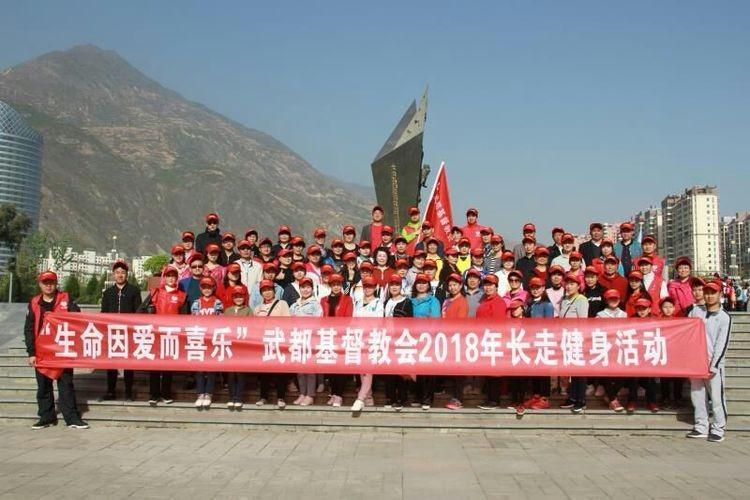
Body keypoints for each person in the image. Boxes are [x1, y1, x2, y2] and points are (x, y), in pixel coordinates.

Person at [25, 270, 88, 430]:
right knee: (43, 386)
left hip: (62, 350)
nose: (48, 285)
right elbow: (29, 329)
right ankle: (46, 417)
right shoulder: (34, 302)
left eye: (51, 282)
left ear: (56, 283)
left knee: (66, 384)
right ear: (40, 284)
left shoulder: (65, 299)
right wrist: (31, 353)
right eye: (45, 282)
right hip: (42, 351)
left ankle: (72, 418)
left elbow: (78, 318)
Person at [687, 280, 731, 442]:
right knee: (697, 396)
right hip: (695, 363)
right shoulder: (695, 312)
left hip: (713, 365)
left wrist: (715, 364)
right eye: (707, 292)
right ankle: (701, 426)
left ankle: (718, 428)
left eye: (713, 293)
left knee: (717, 397)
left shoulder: (724, 317)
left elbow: (722, 343)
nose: (709, 296)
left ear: (720, 295)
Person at [138, 266, 188, 406]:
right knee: (154, 365)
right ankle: (154, 394)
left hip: (172, 335)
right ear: (164, 277)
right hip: (156, 334)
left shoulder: (181, 295)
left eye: (174, 276)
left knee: (168, 366)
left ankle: (166, 394)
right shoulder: (155, 293)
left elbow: (185, 317)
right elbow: (140, 310)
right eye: (169, 275)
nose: (171, 278)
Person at [99, 260, 142, 402]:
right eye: (117, 272)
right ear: (113, 275)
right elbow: (104, 312)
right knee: (111, 363)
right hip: (112, 332)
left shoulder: (134, 290)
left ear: (127, 274)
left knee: (129, 363)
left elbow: (138, 311)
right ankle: (111, 390)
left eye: (123, 273)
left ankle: (128, 391)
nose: (120, 275)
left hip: (128, 332)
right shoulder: (108, 292)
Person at [254, 280, 292, 408]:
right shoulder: (257, 308)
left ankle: (281, 397)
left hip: (278, 341)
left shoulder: (282, 304)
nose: (267, 293)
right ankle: (263, 397)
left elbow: (287, 322)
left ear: (274, 291)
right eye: (264, 290)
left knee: (280, 372)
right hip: (264, 343)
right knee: (264, 373)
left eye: (269, 290)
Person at [351, 277, 385, 412]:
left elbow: (378, 322)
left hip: (372, 340)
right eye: (366, 286)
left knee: (368, 370)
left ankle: (360, 398)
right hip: (359, 339)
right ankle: (368, 397)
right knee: (361, 370)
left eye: (370, 287)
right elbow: (354, 321)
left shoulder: (378, 303)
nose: (368, 289)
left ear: (375, 288)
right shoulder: (358, 302)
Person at [558, 272, 589, 413]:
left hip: (577, 338)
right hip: (566, 338)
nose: (569, 287)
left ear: (578, 285)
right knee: (570, 369)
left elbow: (583, 321)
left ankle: (581, 400)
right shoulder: (564, 300)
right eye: (567, 284)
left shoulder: (581, 300)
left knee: (579, 371)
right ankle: (572, 397)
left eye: (572, 284)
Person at [290, 277, 324, 406]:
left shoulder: (316, 305)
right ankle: (302, 393)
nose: (305, 290)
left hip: (311, 340)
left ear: (312, 288)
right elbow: (290, 323)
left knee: (310, 369)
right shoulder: (294, 305)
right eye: (303, 287)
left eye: (308, 287)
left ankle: (310, 395)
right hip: (297, 339)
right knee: (299, 370)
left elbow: (318, 322)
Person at [320, 274, 353, 407]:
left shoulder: (347, 299)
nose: (336, 287)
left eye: (338, 284)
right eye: (333, 284)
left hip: (341, 336)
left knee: (340, 366)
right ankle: (333, 393)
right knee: (330, 365)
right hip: (327, 335)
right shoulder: (323, 300)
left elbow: (348, 317)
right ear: (330, 285)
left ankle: (339, 395)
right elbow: (321, 316)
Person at [191, 276, 223, 409]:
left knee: (211, 368)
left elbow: (221, 319)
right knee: (199, 368)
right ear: (201, 288)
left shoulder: (217, 302)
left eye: (209, 287)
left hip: (212, 339)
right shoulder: (196, 303)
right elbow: (193, 320)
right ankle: (200, 393)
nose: (207, 290)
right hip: (199, 338)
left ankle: (209, 393)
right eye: (204, 287)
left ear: (213, 288)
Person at [410, 273, 441, 410]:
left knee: (428, 370)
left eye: (424, 282)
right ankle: (418, 396)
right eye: (419, 282)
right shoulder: (410, 301)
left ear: (428, 285)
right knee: (417, 370)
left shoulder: (433, 301)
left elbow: (435, 319)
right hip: (413, 339)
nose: (421, 285)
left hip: (428, 339)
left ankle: (427, 398)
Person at [383, 274, 414, 411]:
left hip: (401, 339)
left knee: (401, 371)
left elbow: (410, 322)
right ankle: (390, 397)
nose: (394, 287)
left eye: (396, 285)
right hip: (387, 339)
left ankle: (401, 398)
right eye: (392, 285)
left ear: (400, 287)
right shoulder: (386, 302)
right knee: (389, 371)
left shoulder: (407, 302)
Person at [477, 275, 508, 410]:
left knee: (494, 372)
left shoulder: (498, 302)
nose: (488, 287)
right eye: (486, 285)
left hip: (494, 340)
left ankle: (494, 400)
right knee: (488, 372)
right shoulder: (484, 300)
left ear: (496, 287)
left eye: (491, 285)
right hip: (484, 339)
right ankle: (489, 398)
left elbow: (498, 324)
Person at [523, 277, 554, 410]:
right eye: (533, 288)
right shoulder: (529, 303)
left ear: (543, 288)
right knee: (534, 370)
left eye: (538, 287)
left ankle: (544, 398)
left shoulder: (547, 304)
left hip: (543, 340)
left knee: (543, 370)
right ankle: (535, 396)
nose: (535, 290)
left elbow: (549, 323)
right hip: (531, 340)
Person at [625, 299, 660, 413]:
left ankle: (652, 401)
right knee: (633, 378)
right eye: (639, 309)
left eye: (644, 309)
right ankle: (632, 401)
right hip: (635, 353)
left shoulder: (655, 320)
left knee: (651, 379)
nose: (641, 311)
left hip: (650, 353)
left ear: (649, 309)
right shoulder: (631, 320)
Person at [597, 289, 628, 413]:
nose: (613, 301)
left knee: (624, 373)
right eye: (611, 299)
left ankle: (611, 395)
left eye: (615, 298)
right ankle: (613, 399)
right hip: (606, 348)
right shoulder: (600, 315)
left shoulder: (624, 315)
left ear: (619, 300)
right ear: (606, 300)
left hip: (620, 348)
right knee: (607, 374)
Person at [442, 273, 469, 410]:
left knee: (459, 371)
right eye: (450, 285)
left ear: (460, 286)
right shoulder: (447, 300)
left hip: (457, 339)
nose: (452, 287)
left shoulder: (462, 301)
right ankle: (454, 396)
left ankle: (459, 398)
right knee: (453, 370)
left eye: (455, 285)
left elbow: (460, 322)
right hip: (446, 338)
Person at [224, 285, 252, 410]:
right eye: (236, 296)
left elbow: (252, 327)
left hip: (242, 347)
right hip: (230, 346)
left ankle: (239, 397)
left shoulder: (248, 310)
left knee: (240, 374)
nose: (238, 299)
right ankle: (231, 397)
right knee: (230, 374)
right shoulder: (228, 311)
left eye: (240, 296)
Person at [658, 296, 684, 409]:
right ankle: (665, 399)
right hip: (663, 353)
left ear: (674, 308)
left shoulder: (679, 321)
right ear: (661, 309)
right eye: (665, 307)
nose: (668, 309)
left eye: (670, 307)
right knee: (665, 379)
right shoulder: (657, 322)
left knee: (678, 379)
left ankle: (678, 398)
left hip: (676, 354)